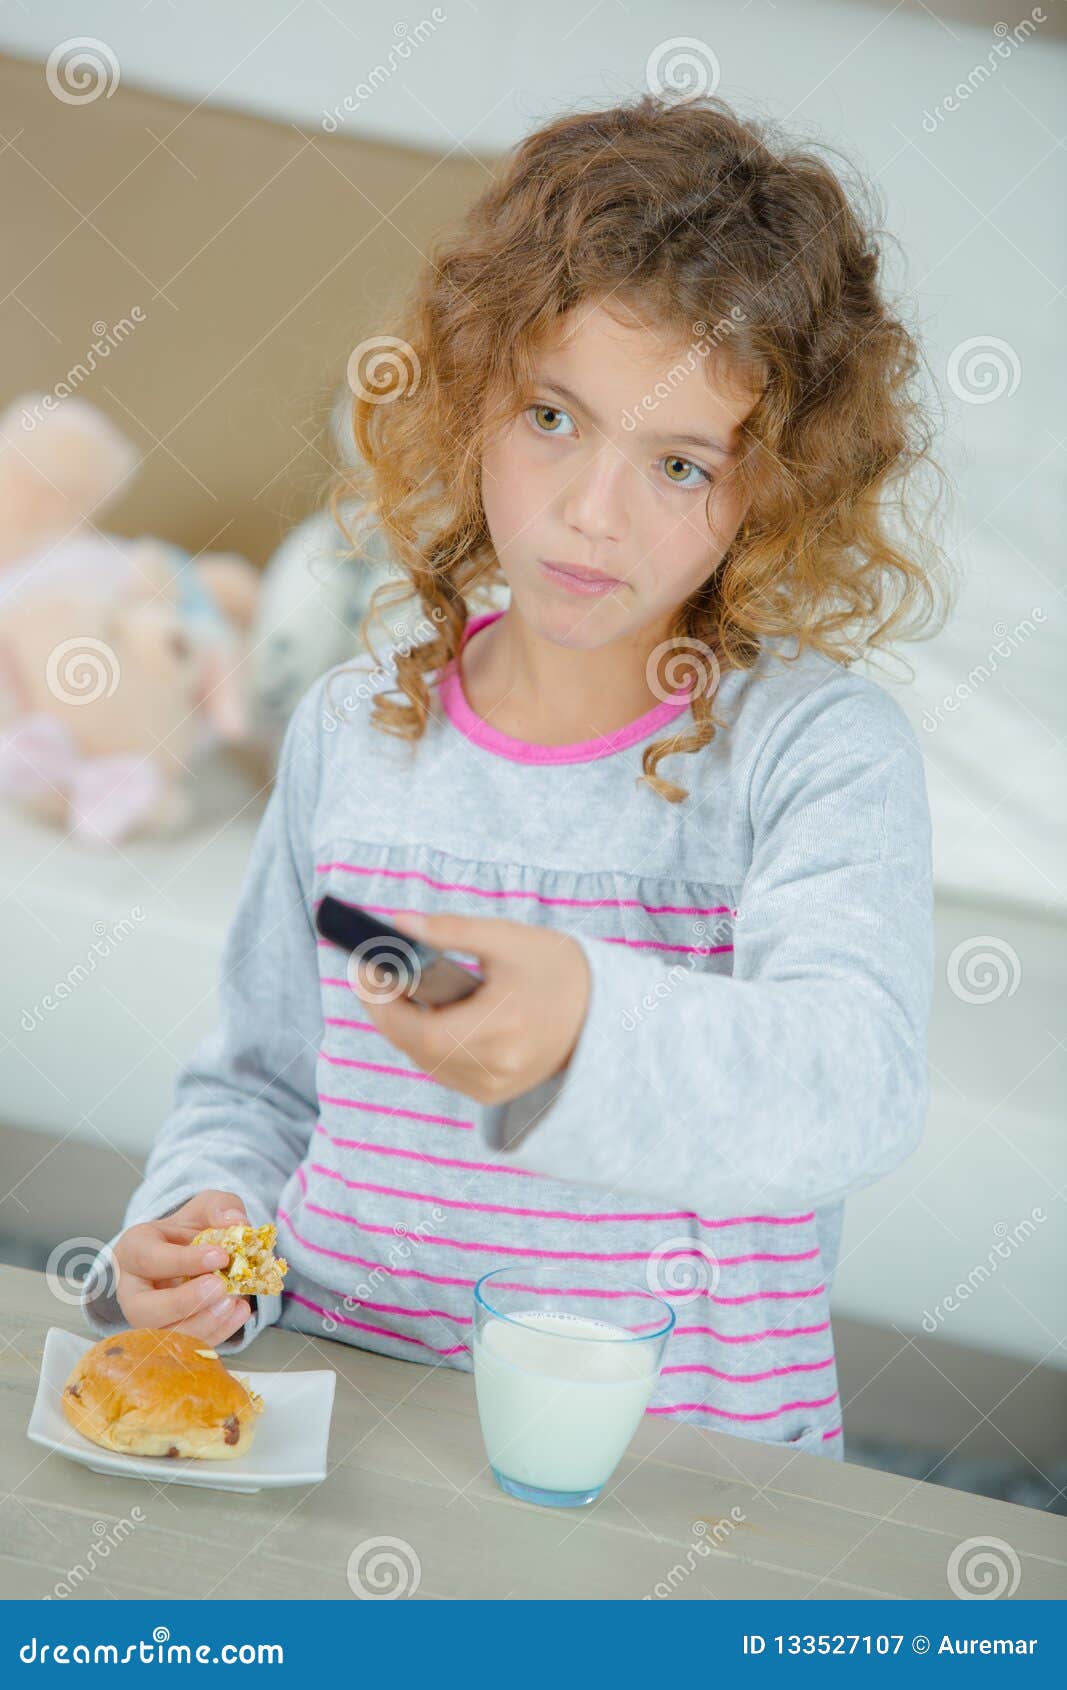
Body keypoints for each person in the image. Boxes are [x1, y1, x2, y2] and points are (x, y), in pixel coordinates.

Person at [83, 92, 950, 1459]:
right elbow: (262, 1085)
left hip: (678, 1478)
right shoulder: (352, 730)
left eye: (677, 462)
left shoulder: (815, 753)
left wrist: (587, 1022)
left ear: (770, 492)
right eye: (552, 417)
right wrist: (202, 1228)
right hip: (344, 1422)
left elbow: (852, 1085)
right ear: (472, 392)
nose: (592, 511)